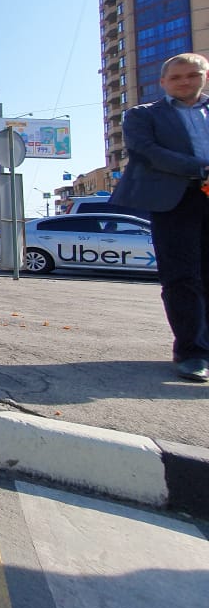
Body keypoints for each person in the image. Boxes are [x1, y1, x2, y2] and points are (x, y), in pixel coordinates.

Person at [111, 52, 209, 383]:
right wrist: (200, 169)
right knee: (182, 277)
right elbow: (146, 151)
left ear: (205, 77)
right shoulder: (142, 114)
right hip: (176, 200)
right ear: (163, 82)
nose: (185, 81)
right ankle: (191, 351)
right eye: (177, 77)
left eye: (193, 75)